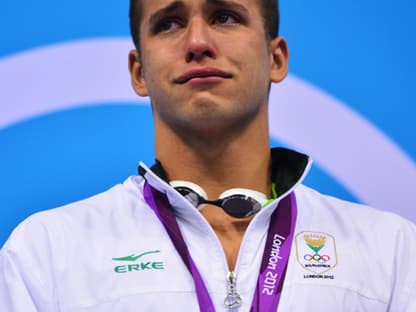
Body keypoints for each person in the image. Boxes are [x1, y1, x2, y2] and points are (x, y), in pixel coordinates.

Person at [1, 0, 415, 310]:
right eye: (169, 23)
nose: (197, 42)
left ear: (276, 58)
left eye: (225, 16)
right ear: (139, 72)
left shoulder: (391, 251)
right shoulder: (47, 252)